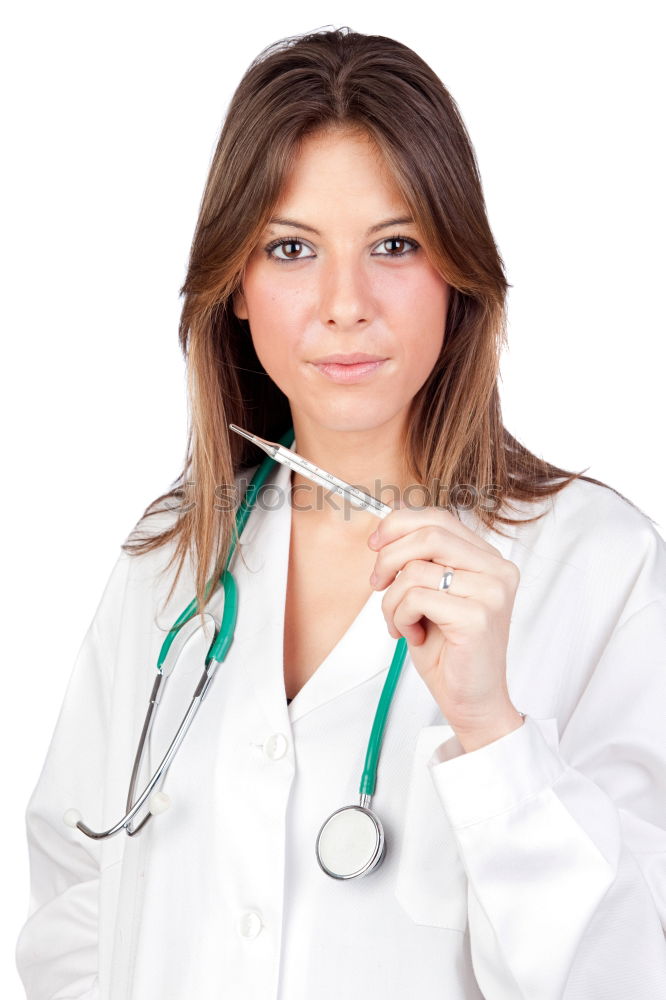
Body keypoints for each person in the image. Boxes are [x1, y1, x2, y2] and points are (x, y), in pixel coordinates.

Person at [15, 25, 666, 1000]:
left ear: (458, 272)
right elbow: (76, 917)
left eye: (395, 245)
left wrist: (490, 729)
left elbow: (623, 972)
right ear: (235, 285)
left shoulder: (597, 565)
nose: (343, 303)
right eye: (291, 248)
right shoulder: (165, 567)